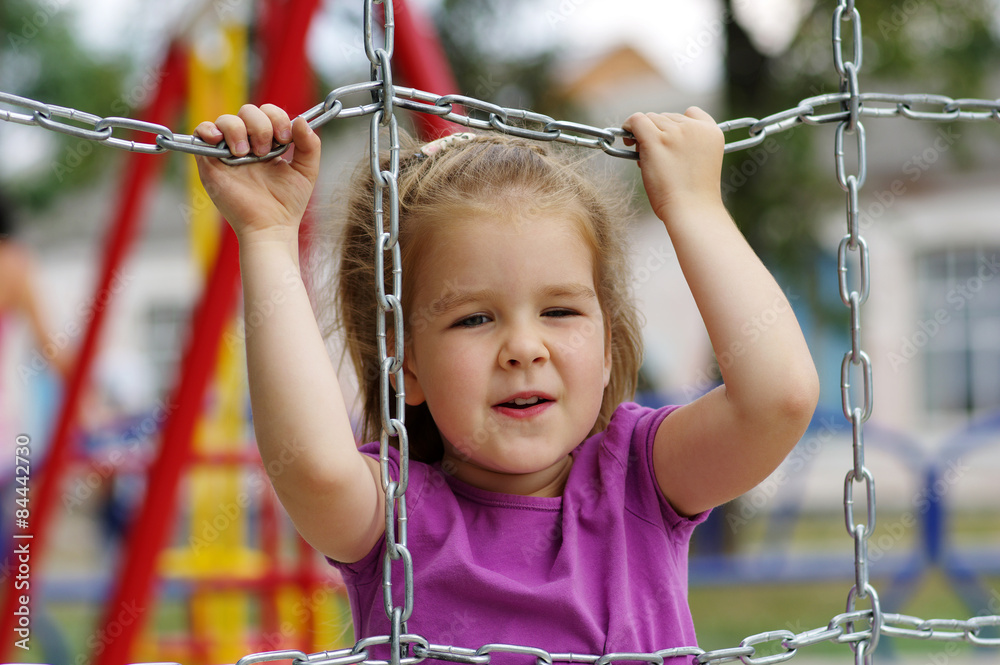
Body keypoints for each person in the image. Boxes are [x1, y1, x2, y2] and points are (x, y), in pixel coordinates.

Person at [194, 104, 819, 661]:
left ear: (606, 346)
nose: (524, 348)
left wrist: (694, 207)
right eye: (474, 318)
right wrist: (269, 236)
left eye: (560, 311)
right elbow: (313, 469)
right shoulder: (399, 522)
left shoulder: (638, 480)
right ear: (406, 365)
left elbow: (777, 399)